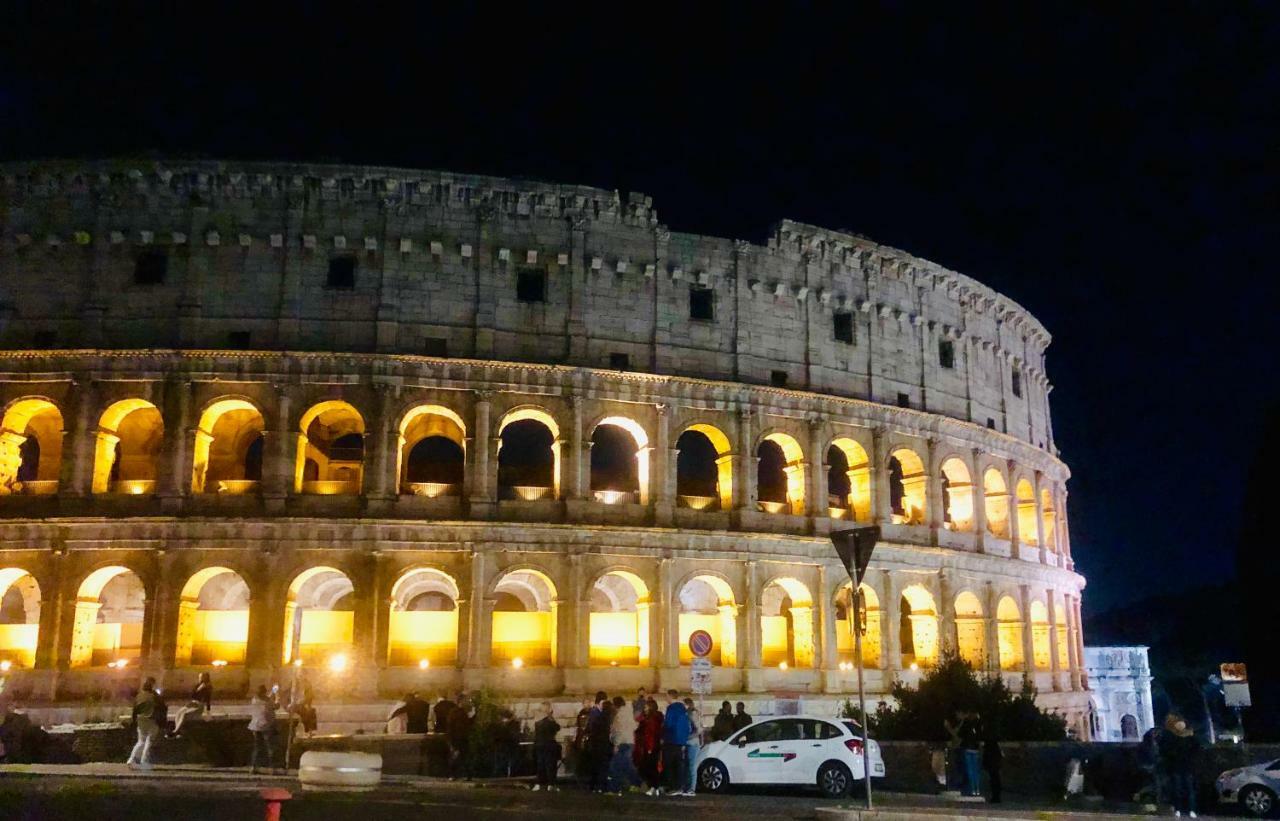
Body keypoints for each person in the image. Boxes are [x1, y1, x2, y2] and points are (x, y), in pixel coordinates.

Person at [1160, 714, 1200, 818]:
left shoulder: (1190, 738)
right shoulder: (1173, 738)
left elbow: (1196, 750)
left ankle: (1191, 809)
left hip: (1186, 767)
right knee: (1178, 789)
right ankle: (1179, 809)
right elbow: (1167, 751)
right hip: (1178, 767)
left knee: (1188, 790)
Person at [126, 677, 162, 769]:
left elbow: (135, 710)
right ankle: (144, 761)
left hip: (140, 720)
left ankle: (131, 759)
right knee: (149, 741)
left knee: (141, 741)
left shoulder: (139, 696)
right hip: (151, 720)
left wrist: (134, 721)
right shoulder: (154, 697)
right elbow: (162, 708)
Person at [661, 689, 691, 796]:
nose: (665, 698)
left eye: (666, 696)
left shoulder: (671, 708)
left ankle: (672, 787)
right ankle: (680, 786)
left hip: (671, 739)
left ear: (670, 696)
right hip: (681, 741)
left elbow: (668, 724)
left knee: (669, 765)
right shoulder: (683, 709)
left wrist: (663, 735)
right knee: (679, 765)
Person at [608, 695, 639, 792]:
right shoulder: (629, 713)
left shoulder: (619, 716)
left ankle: (615, 787)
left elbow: (618, 731)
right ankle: (635, 784)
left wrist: (616, 744)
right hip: (630, 741)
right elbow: (634, 727)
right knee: (627, 764)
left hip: (622, 743)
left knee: (615, 765)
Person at [634, 698, 664, 795]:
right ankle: (655, 787)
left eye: (646, 706)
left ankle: (653, 786)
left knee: (650, 767)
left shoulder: (651, 719)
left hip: (650, 746)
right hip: (651, 745)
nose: (645, 708)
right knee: (651, 767)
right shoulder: (653, 718)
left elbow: (650, 734)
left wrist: (650, 748)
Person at [169, 672, 212, 738]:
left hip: (199, 705)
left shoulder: (208, 686)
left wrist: (208, 711)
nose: (199, 678)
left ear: (205, 678)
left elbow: (208, 699)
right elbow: (192, 696)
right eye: (199, 677)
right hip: (192, 703)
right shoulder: (197, 685)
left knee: (185, 714)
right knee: (179, 712)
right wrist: (198, 689)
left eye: (201, 677)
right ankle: (178, 731)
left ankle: (175, 731)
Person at [248, 684, 279, 774]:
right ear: (264, 692)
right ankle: (271, 768)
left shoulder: (254, 700)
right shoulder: (268, 701)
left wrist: (273, 692)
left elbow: (266, 699)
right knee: (269, 747)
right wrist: (277, 696)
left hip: (255, 726)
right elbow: (276, 706)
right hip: (266, 726)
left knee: (257, 747)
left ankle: (253, 767)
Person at [585, 691, 613, 793]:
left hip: (598, 744)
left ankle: (596, 786)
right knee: (598, 765)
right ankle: (597, 786)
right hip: (597, 744)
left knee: (598, 766)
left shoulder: (599, 713)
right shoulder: (596, 714)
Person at [532, 701, 561, 792]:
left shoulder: (537, 720)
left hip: (540, 744)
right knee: (550, 765)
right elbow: (557, 727)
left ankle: (538, 784)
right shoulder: (549, 720)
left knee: (540, 765)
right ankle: (551, 784)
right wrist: (551, 716)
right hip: (549, 744)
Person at [446, 694, 474, 780]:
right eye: (465, 700)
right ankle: (455, 775)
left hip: (460, 738)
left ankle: (456, 775)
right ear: (461, 701)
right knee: (459, 757)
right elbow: (452, 726)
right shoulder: (458, 712)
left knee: (461, 757)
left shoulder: (457, 712)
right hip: (459, 738)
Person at [288, 668, 317, 736]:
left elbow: (310, 695)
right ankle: (304, 730)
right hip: (294, 704)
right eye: (299, 674)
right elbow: (290, 694)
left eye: (303, 674)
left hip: (303, 703)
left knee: (311, 711)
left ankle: (309, 730)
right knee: (304, 711)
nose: (301, 675)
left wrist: (307, 703)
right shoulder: (294, 683)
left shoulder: (307, 683)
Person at [683, 697, 701, 794]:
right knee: (687, 766)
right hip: (688, 743)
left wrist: (688, 737)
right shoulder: (686, 715)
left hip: (692, 743)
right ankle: (687, 787)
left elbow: (698, 730)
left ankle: (691, 789)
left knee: (692, 766)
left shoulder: (693, 714)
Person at [982, 721, 1003, 804]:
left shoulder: (988, 743)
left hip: (992, 762)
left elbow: (987, 753)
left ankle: (995, 796)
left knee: (994, 778)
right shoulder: (994, 743)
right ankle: (996, 796)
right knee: (996, 778)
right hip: (995, 762)